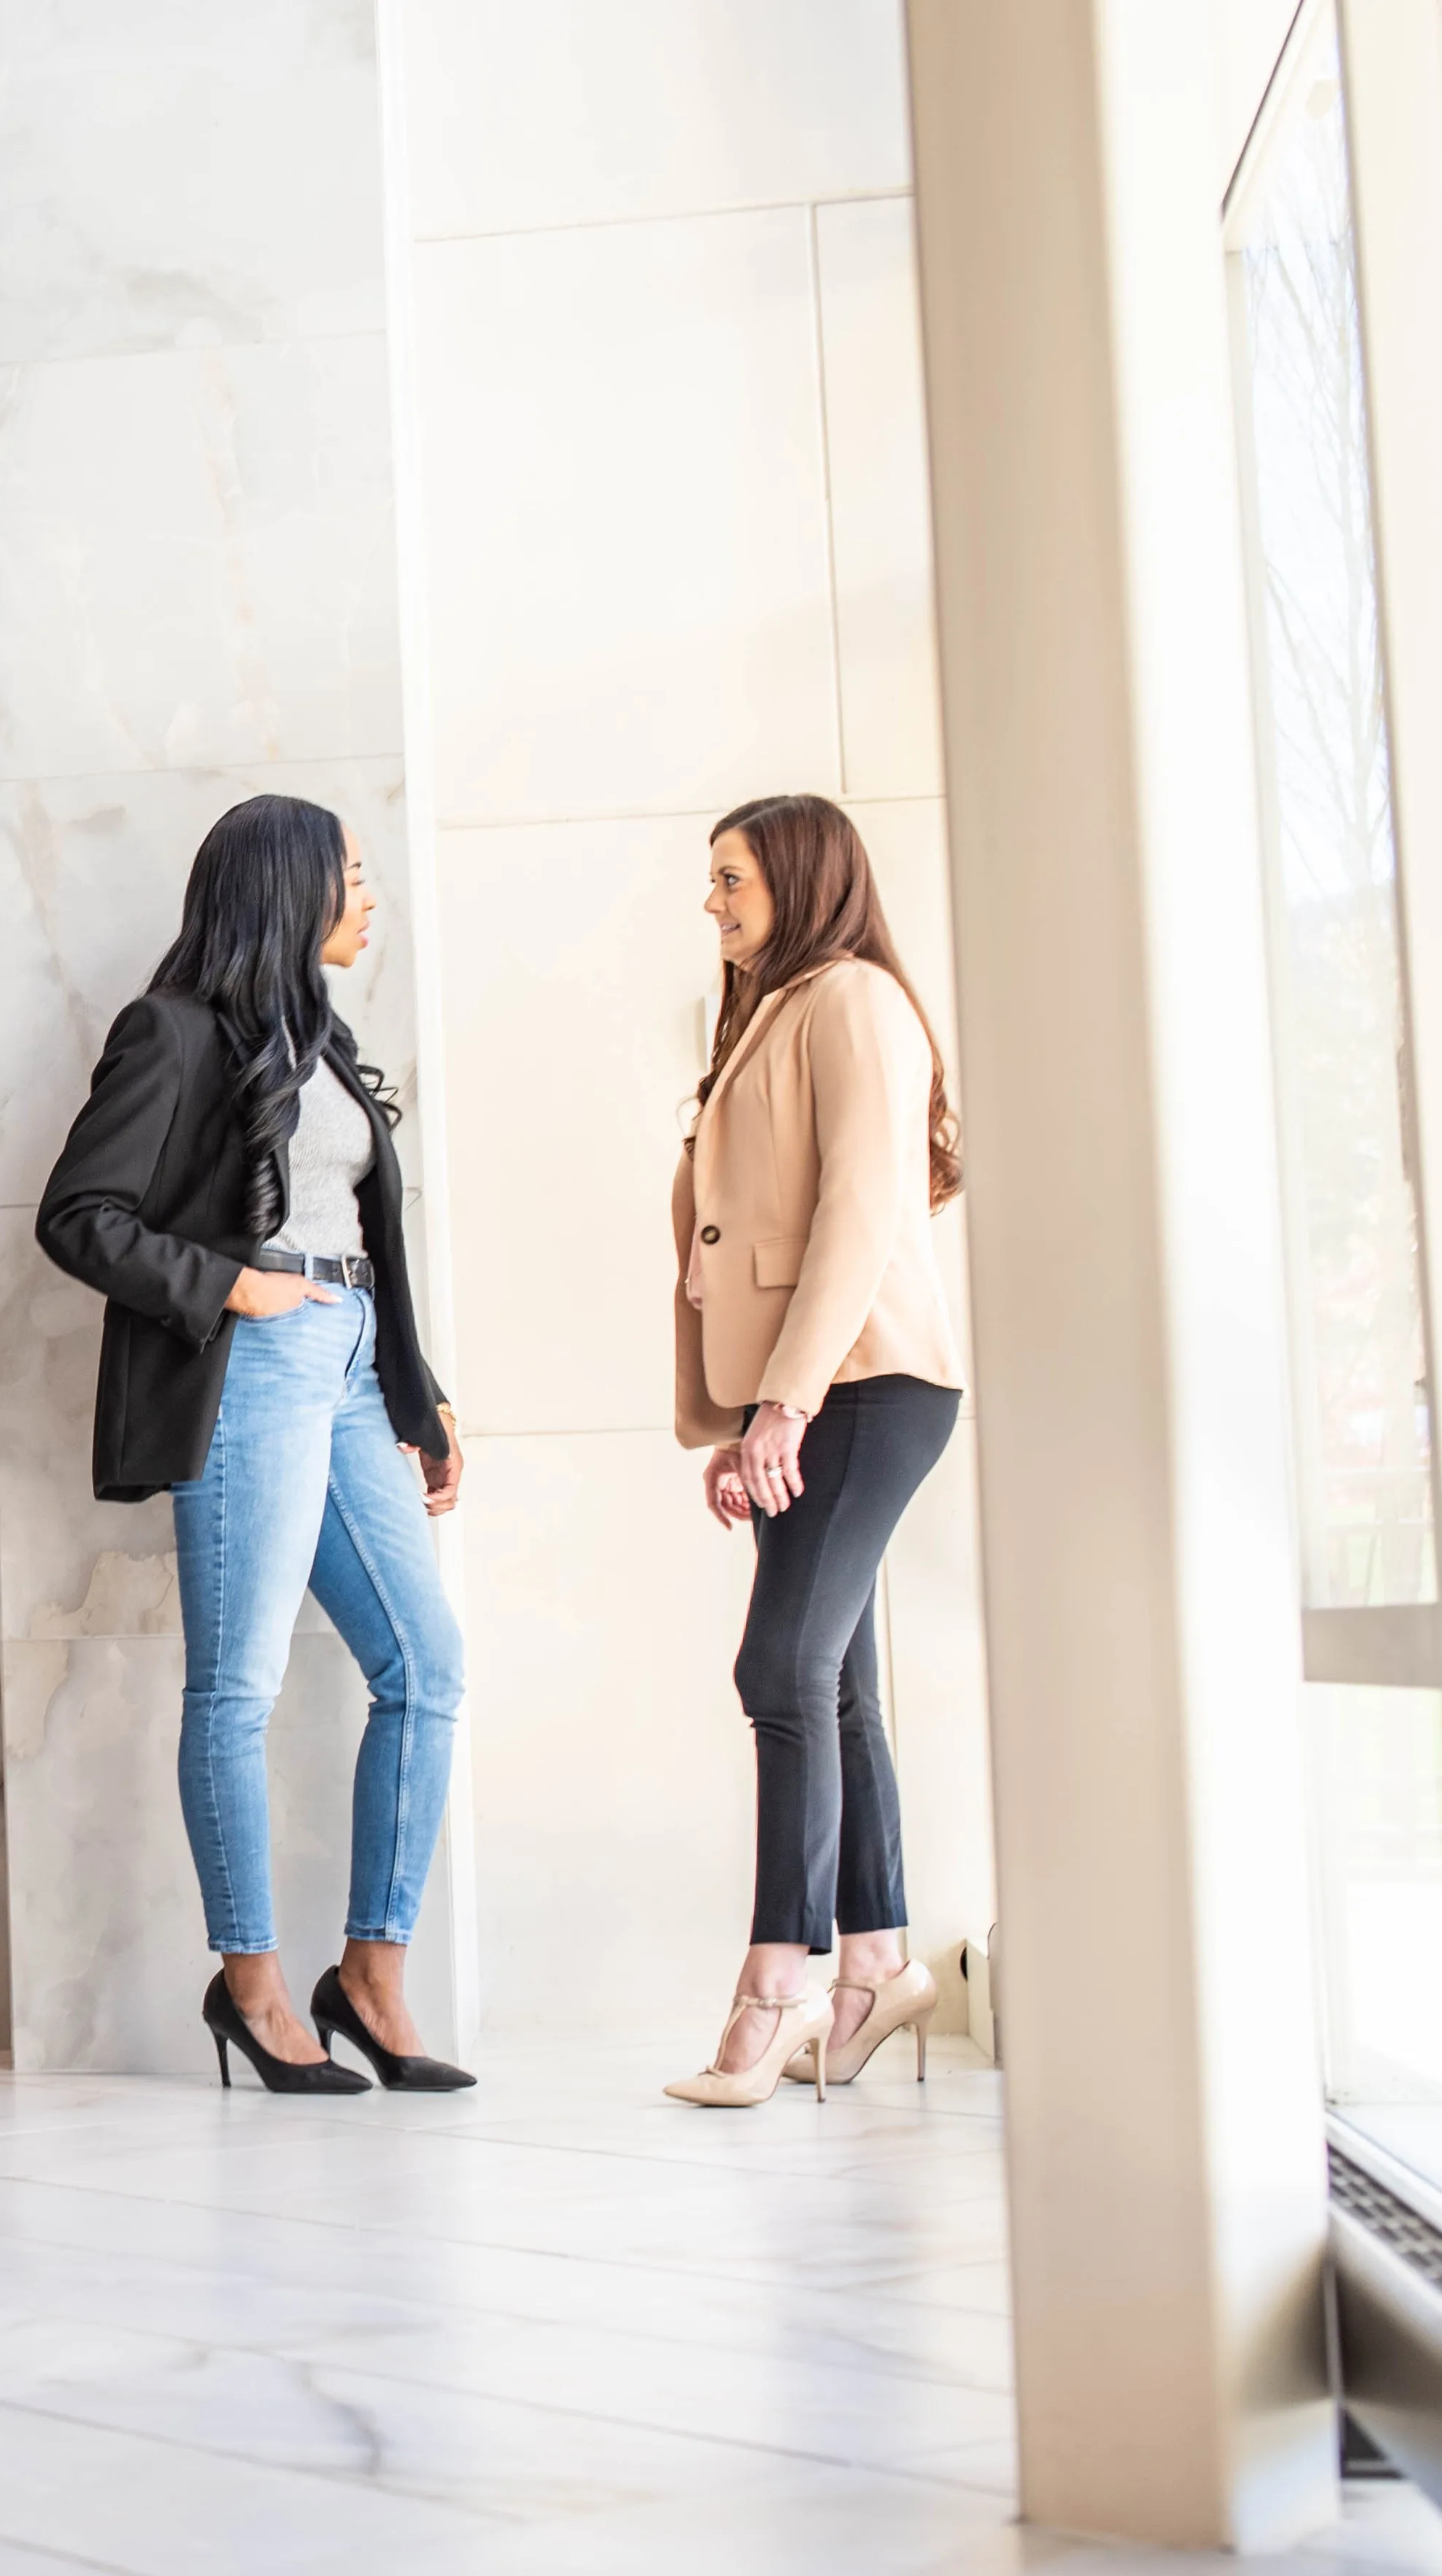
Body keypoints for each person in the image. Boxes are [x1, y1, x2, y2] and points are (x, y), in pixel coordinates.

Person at [36, 794, 468, 2097]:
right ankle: (254, 1987)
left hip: (346, 1355)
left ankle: (372, 1975)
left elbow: (365, 1231)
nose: (368, 890)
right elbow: (78, 1214)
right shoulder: (168, 1034)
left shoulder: (322, 1042)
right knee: (240, 1685)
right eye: (350, 869)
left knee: (427, 1662)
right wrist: (229, 1282)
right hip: (254, 1360)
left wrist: (416, 1392)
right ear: (288, 887)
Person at [664, 792, 966, 2109]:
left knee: (778, 1664)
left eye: (731, 878)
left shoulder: (851, 1000)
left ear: (798, 876)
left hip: (869, 1378)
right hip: (813, 1385)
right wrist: (750, 1416)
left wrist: (780, 1406)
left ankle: (778, 1981)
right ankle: (880, 1964)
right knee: (832, 1681)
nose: (714, 901)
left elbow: (857, 1213)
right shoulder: (778, 1010)